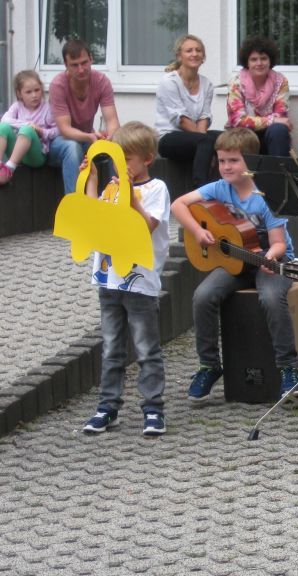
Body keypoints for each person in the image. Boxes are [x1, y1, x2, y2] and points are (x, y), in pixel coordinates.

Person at [171, 128, 298, 401]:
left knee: (269, 296)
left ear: (250, 162)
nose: (226, 167)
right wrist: (196, 231)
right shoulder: (218, 188)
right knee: (203, 296)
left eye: (234, 160)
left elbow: (278, 243)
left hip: (271, 261)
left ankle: (289, 367)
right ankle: (209, 365)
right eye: (221, 161)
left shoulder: (266, 196)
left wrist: (270, 256)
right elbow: (178, 205)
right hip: (235, 262)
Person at [80, 122, 170, 437]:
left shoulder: (156, 189)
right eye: (118, 157)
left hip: (139, 283)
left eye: (127, 158)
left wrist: (131, 197)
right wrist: (91, 179)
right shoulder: (111, 188)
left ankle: (153, 409)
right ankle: (107, 408)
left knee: (146, 348)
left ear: (147, 158)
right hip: (108, 280)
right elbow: (93, 217)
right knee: (111, 348)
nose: (122, 164)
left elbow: (147, 226)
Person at [47, 39, 120, 194]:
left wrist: (111, 137)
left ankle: (118, 201)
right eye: (74, 65)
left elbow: (112, 120)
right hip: (58, 142)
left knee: (117, 144)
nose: (81, 69)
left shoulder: (101, 81)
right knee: (72, 148)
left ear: (91, 59)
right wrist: (89, 136)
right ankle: (76, 208)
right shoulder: (58, 85)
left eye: (84, 63)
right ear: (66, 66)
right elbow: (65, 130)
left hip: (87, 139)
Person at [155, 34, 221, 189]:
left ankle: (225, 189)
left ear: (203, 56)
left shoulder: (207, 84)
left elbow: (204, 116)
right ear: (179, 56)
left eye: (198, 50)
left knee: (227, 138)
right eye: (189, 50)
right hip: (168, 137)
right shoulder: (169, 82)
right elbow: (181, 120)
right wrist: (206, 142)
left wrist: (207, 142)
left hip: (195, 135)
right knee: (206, 142)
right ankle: (201, 191)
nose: (194, 54)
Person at [225, 36, 292, 157]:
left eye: (263, 58)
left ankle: (279, 173)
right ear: (247, 62)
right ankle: (246, 175)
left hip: (270, 135)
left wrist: (269, 121)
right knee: (245, 132)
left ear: (270, 60)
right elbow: (238, 121)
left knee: (279, 130)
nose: (259, 63)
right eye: (254, 59)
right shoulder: (236, 83)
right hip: (243, 135)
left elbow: (281, 117)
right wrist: (271, 120)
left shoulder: (281, 82)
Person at [0, 70, 57, 185]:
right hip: (18, 153)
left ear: (41, 89)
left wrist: (41, 131)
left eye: (37, 90)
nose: (34, 95)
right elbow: (5, 120)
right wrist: (27, 124)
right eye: (28, 92)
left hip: (36, 156)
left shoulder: (47, 109)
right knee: (3, 127)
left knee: (27, 130)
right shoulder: (17, 106)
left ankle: (9, 169)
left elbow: (57, 131)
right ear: (19, 93)